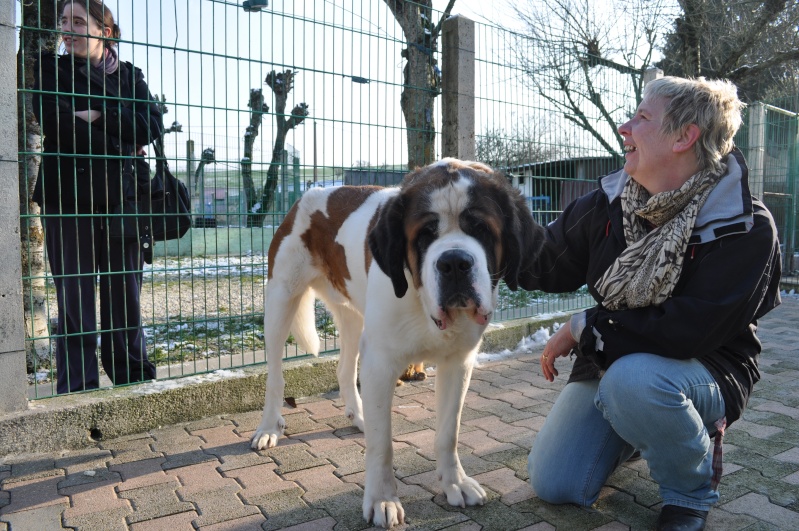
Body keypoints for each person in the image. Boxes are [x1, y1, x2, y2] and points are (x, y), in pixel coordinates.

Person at [518, 77, 781, 531]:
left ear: (684, 137)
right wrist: (487, 233)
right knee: (556, 483)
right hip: (613, 361)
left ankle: (689, 492)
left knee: (633, 382)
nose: (624, 127)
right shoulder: (609, 201)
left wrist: (587, 327)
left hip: (706, 368)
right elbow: (545, 262)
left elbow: (688, 332)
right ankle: (653, 429)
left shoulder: (746, 226)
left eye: (641, 118)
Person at [32, 0, 162, 393]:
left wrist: (100, 115)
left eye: (77, 21)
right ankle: (78, 384)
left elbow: (151, 126)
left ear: (104, 31)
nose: (67, 29)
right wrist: (122, 138)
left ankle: (132, 375)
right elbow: (56, 124)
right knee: (75, 294)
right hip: (67, 197)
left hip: (122, 197)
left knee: (126, 291)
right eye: (63, 21)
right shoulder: (51, 69)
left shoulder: (130, 75)